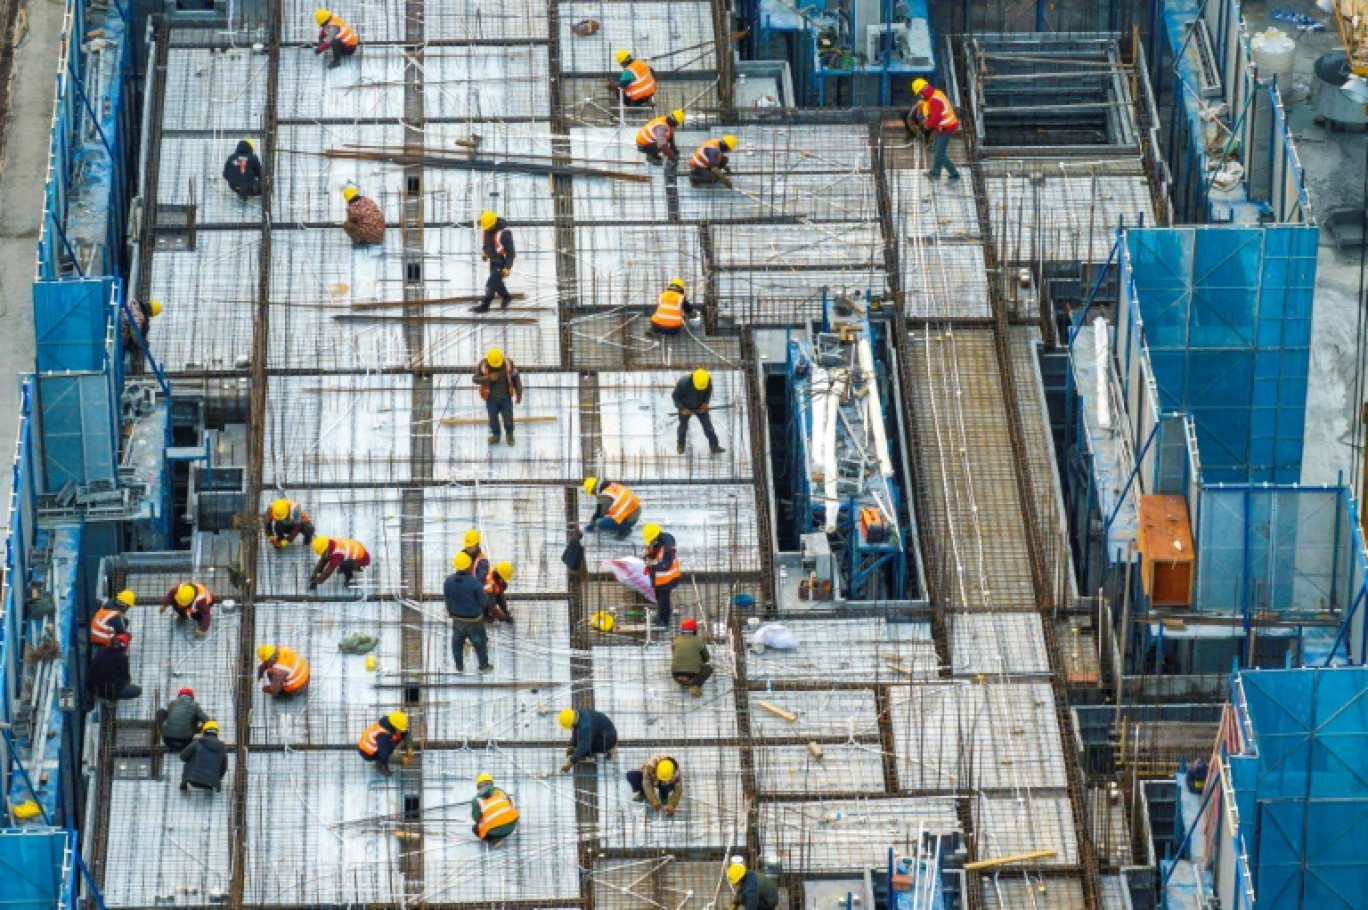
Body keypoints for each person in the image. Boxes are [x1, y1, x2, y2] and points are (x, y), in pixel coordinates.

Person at [445, 552, 493, 674]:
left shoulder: (448, 581)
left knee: (457, 644)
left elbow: (448, 599)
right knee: (479, 642)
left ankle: (459, 667)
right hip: (474, 620)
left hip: (457, 619)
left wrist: (451, 612)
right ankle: (483, 666)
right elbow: (484, 601)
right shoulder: (474, 582)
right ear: (468, 566)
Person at [908, 78, 960, 180]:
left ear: (922, 90)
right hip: (943, 127)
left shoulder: (934, 100)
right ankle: (936, 172)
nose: (920, 96)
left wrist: (927, 126)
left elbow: (936, 118)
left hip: (946, 128)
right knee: (936, 149)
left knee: (939, 153)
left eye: (919, 93)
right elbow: (931, 114)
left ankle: (954, 174)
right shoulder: (935, 94)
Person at [473, 348, 522, 445]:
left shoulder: (509, 364)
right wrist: (488, 378)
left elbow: (516, 378)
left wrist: (519, 393)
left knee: (508, 417)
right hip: (491, 399)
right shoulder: (483, 365)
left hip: (506, 398)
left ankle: (509, 435)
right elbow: (475, 379)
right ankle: (496, 436)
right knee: (493, 418)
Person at [673, 368, 725, 455]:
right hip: (686, 407)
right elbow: (675, 396)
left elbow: (708, 392)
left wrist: (705, 403)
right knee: (683, 427)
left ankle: (714, 446)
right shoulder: (683, 383)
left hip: (700, 406)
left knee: (708, 427)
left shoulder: (706, 381)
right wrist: (682, 408)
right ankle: (681, 445)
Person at [473, 212, 516, 313]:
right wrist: (485, 252)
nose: (486, 229)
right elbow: (488, 243)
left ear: (493, 224)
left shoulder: (504, 233)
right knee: (497, 281)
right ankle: (506, 297)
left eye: (488, 227)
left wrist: (507, 267)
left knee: (491, 284)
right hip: (493, 260)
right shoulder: (488, 230)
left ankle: (485, 305)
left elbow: (510, 252)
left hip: (501, 260)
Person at [643, 523, 681, 628]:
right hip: (659, 578)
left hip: (668, 577)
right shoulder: (658, 541)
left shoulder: (668, 547)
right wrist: (649, 555)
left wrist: (652, 565)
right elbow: (654, 553)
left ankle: (665, 621)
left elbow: (666, 565)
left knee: (664, 600)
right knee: (658, 598)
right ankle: (660, 616)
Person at [559, 707, 618, 772]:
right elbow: (576, 729)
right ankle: (581, 752)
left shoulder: (585, 726)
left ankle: (593, 755)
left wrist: (570, 762)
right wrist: (572, 745)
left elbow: (585, 745)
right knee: (581, 741)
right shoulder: (579, 714)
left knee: (584, 749)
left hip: (608, 740)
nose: (570, 728)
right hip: (603, 732)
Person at [87, 634, 141, 702]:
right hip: (111, 691)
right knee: (138, 690)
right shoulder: (122, 658)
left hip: (95, 689)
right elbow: (125, 678)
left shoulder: (100, 652)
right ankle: (111, 699)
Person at [179, 721, 228, 793]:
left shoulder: (198, 742)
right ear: (216, 733)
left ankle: (183, 785)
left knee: (187, 762)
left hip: (193, 780)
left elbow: (183, 756)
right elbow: (224, 767)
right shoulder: (222, 747)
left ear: (204, 731)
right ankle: (209, 786)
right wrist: (217, 779)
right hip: (211, 783)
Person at [471, 773, 520, 843]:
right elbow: (510, 805)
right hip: (511, 827)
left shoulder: (477, 799)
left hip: (495, 833)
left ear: (478, 786)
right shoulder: (500, 791)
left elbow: (476, 818)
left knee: (475, 828)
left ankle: (492, 840)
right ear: (492, 783)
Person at [358, 712, 409, 776]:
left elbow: (405, 733)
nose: (401, 731)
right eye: (399, 729)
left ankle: (383, 760)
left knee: (396, 737)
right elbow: (384, 754)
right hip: (367, 752)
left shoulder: (388, 722)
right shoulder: (383, 734)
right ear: (394, 726)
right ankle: (380, 764)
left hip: (374, 746)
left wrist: (410, 747)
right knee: (390, 744)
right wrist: (401, 760)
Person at [671, 618, 714, 696]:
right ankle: (695, 686)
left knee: (681, 666)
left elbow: (675, 655)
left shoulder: (676, 641)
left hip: (675, 676)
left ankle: (683, 683)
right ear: (695, 630)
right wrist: (697, 661)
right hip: (692, 676)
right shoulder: (699, 641)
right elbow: (706, 658)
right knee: (708, 668)